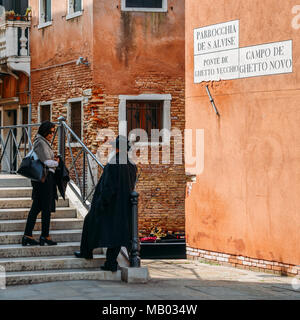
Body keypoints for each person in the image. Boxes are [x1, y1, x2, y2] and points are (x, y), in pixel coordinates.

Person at [74, 135, 137, 272]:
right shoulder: (132, 165)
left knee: (90, 221)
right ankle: (110, 262)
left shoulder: (113, 164)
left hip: (110, 204)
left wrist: (101, 203)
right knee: (117, 233)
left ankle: (87, 252)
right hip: (124, 205)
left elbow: (108, 187)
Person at [22, 121, 59, 246]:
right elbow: (46, 162)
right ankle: (45, 236)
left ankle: (28, 235)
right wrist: (57, 163)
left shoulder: (43, 142)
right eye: (50, 132)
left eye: (53, 132)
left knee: (37, 207)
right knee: (46, 208)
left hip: (43, 179)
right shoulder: (40, 142)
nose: (52, 134)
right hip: (43, 180)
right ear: (45, 131)